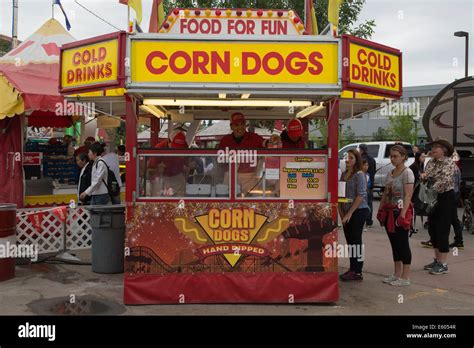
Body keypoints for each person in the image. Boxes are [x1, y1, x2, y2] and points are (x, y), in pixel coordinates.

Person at [377, 145, 415, 286]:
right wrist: (380, 209)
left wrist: (403, 214)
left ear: (404, 157)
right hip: (389, 212)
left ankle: (405, 277)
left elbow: (408, 195)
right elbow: (386, 193)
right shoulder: (390, 173)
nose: (392, 159)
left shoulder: (407, 173)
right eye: (391, 156)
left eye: (395, 156)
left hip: (400, 212)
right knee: (394, 244)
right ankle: (396, 273)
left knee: (403, 243)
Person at [421, 138, 456, 275]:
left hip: (444, 197)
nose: (433, 149)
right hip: (432, 197)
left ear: (444, 150)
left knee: (442, 229)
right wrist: (424, 177)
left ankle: (443, 263)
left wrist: (430, 185)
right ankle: (437, 260)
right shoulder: (430, 162)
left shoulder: (449, 163)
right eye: (433, 147)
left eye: (437, 147)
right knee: (433, 228)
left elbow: (444, 181)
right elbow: (426, 176)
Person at [338, 149, 369, 281]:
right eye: (346, 157)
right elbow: (339, 194)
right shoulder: (344, 174)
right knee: (350, 241)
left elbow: (361, 195)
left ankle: (358, 270)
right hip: (345, 211)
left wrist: (350, 213)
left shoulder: (359, 175)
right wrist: (341, 213)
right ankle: (352, 268)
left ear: (356, 160)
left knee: (356, 241)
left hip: (358, 211)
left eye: (351, 158)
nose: (347, 160)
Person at [218, 113, 266, 196]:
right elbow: (218, 161)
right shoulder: (225, 140)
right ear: (231, 127)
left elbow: (265, 143)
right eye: (236, 125)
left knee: (252, 204)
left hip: (249, 177)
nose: (240, 127)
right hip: (229, 176)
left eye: (242, 124)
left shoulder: (254, 138)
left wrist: (271, 141)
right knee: (226, 203)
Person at [148, 130, 188, 197]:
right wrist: (158, 169)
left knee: (181, 202)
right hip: (162, 178)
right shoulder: (159, 148)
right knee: (162, 203)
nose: (178, 151)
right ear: (169, 142)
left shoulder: (184, 145)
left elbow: (188, 162)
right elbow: (150, 170)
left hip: (178, 176)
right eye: (175, 147)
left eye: (180, 148)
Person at [359, 144, 376, 227]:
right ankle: (369, 221)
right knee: (369, 203)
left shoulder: (360, 159)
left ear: (361, 150)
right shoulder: (372, 159)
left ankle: (362, 220)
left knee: (361, 203)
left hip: (362, 185)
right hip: (371, 184)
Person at [410, 151, 426, 235]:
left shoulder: (421, 165)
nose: (424, 158)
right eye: (422, 157)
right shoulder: (413, 166)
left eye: (424, 157)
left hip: (419, 190)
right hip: (413, 190)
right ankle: (411, 226)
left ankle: (413, 226)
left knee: (416, 208)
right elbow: (412, 178)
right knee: (413, 208)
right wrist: (420, 177)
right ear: (418, 157)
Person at [449, 163, 464, 249]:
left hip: (451, 194)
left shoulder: (450, 167)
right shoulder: (456, 167)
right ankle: (459, 240)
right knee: (454, 218)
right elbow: (458, 183)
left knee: (452, 218)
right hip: (455, 193)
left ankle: (458, 240)